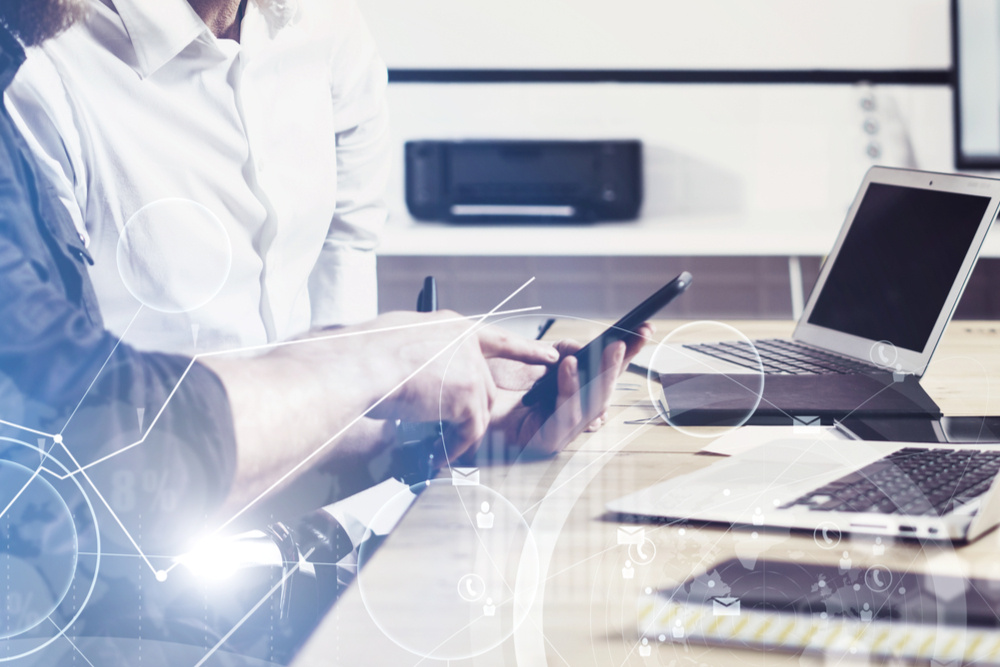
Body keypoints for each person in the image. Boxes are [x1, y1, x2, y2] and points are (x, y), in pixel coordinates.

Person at [7, 0, 392, 353]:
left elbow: (349, 237)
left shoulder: (328, 21)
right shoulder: (38, 69)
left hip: (315, 400)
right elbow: (54, 360)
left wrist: (347, 381)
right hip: (140, 404)